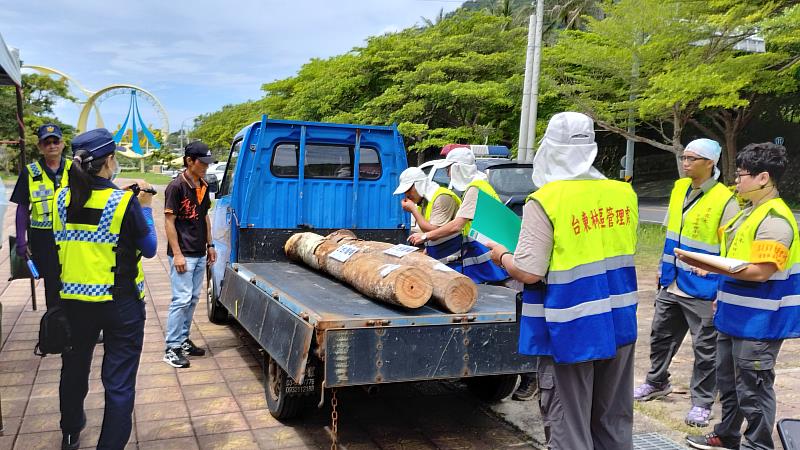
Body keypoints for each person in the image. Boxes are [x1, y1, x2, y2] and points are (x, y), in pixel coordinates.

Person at [488, 112, 639, 450]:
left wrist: (500, 254)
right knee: (612, 419)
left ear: (549, 150)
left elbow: (528, 271)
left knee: (568, 424)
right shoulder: (623, 194)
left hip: (571, 327)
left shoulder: (548, 200)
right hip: (619, 320)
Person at [685, 142, 799, 450]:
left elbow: (761, 272)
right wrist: (719, 287)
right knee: (729, 382)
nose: (737, 181)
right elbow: (737, 260)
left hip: (759, 322)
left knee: (754, 386)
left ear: (763, 178)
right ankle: (727, 434)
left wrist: (712, 269)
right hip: (733, 314)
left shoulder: (774, 219)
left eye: (742, 175)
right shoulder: (749, 213)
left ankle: (758, 444)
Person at [53, 128, 157, 450]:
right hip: (121, 304)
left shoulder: (61, 198)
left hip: (75, 303)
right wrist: (146, 205)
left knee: (73, 370)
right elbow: (150, 247)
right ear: (110, 160)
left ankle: (70, 431)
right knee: (119, 384)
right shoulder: (124, 203)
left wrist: (118, 193)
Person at [634, 138, 740, 427]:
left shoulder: (724, 200)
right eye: (684, 158)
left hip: (703, 288)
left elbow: (730, 250)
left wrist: (721, 287)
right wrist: (660, 266)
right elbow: (671, 233)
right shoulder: (680, 188)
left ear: (710, 163)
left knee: (705, 348)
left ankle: (702, 402)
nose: (686, 163)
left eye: (692, 158)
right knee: (660, 336)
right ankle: (656, 382)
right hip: (671, 280)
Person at [408, 147, 508, 284]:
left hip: (488, 260)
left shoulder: (475, 188)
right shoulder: (479, 185)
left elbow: (457, 225)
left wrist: (425, 237)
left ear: (458, 168)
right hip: (486, 258)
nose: (448, 175)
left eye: (448, 170)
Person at [163, 141, 217, 368]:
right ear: (189, 161)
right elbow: (169, 221)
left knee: (193, 298)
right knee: (181, 299)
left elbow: (204, 217)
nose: (206, 167)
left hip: (199, 251)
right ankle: (171, 347)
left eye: (207, 163)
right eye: (202, 162)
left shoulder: (203, 185)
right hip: (183, 253)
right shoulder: (176, 187)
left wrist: (211, 245)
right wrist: (177, 254)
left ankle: (183, 340)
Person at [10, 124, 72, 309]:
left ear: (62, 144)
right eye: (47, 142)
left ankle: (77, 328)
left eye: (56, 141)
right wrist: (21, 241)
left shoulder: (74, 169)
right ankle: (55, 330)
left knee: (74, 280)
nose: (52, 145)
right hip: (43, 238)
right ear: (40, 147)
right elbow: (22, 208)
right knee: (52, 284)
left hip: (72, 236)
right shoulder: (29, 172)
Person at [394, 166, 460, 237]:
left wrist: (413, 210)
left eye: (408, 189)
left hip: (463, 244)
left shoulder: (442, 198)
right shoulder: (423, 201)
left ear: (419, 185)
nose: (407, 195)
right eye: (405, 191)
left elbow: (434, 233)